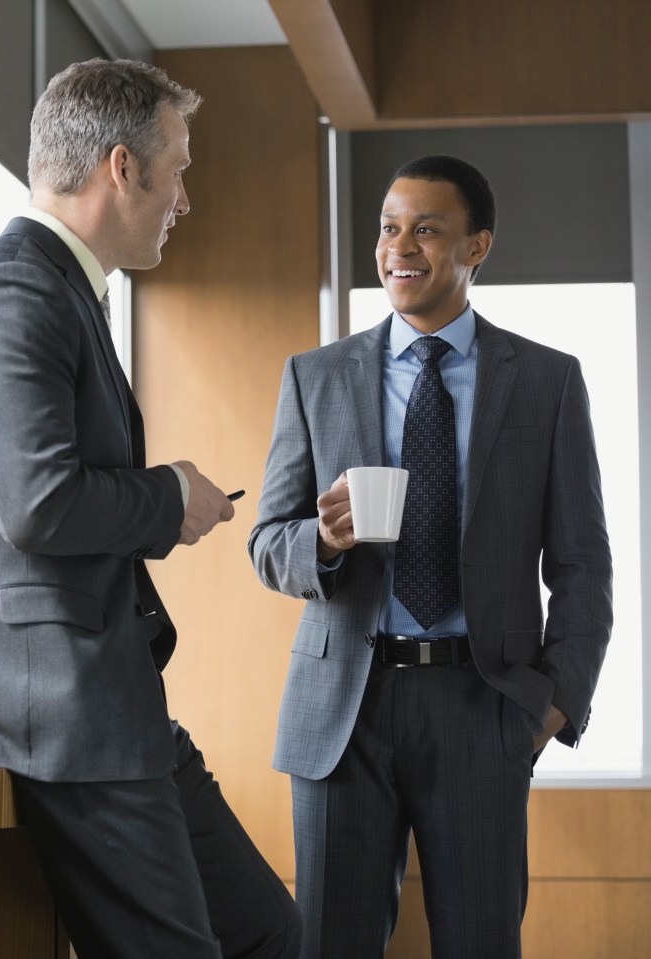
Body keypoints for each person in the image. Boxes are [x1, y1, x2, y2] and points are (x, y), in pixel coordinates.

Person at [0, 58, 300, 959]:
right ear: (123, 168)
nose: (184, 199)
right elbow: (37, 504)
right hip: (50, 719)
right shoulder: (6, 289)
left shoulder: (62, 293)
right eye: (180, 170)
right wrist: (170, 496)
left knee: (270, 928)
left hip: (111, 708)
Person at [249, 154, 613, 957]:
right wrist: (326, 541)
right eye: (387, 227)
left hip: (482, 703)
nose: (398, 247)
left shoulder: (548, 382)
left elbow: (584, 567)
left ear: (477, 245)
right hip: (343, 706)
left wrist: (551, 706)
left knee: (482, 943)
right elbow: (267, 540)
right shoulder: (315, 377)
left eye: (426, 229)